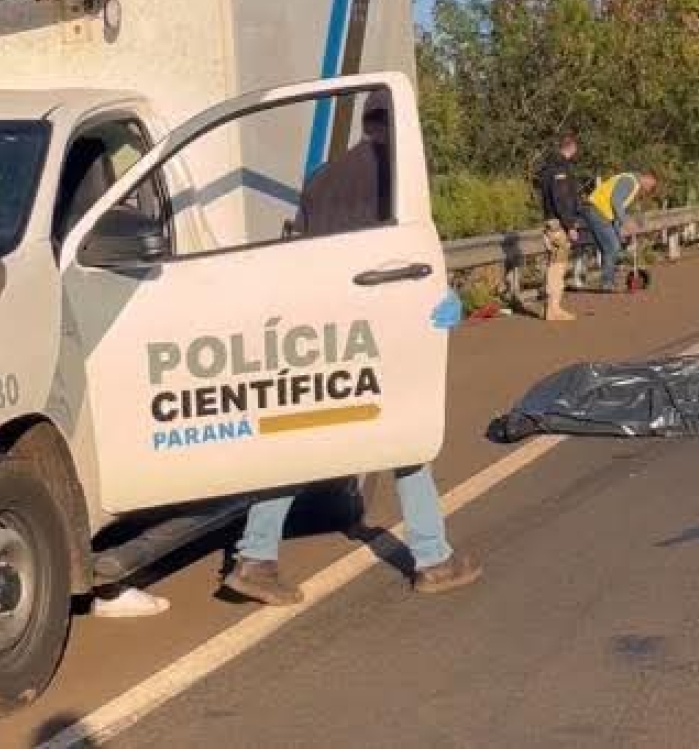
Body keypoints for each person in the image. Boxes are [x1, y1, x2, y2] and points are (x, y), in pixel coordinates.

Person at [223, 90, 481, 606]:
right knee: (405, 442)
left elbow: (297, 253)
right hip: (377, 324)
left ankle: (255, 556)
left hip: (317, 328)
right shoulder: (397, 177)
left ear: (365, 123)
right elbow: (402, 254)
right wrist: (438, 294)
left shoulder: (322, 178)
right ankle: (432, 558)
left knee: (300, 436)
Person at [582, 171, 658, 292]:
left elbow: (617, 209)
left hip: (601, 212)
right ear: (647, 177)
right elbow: (615, 201)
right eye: (651, 186)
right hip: (597, 210)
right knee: (612, 247)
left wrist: (618, 230)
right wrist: (626, 223)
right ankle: (607, 284)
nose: (649, 189)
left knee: (611, 247)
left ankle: (608, 282)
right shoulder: (630, 181)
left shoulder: (633, 184)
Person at [537, 134, 582, 322]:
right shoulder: (560, 168)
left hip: (551, 221)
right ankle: (553, 309)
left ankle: (551, 307)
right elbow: (561, 199)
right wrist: (570, 224)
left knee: (554, 264)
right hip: (558, 223)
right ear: (571, 147)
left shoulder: (548, 166)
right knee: (558, 264)